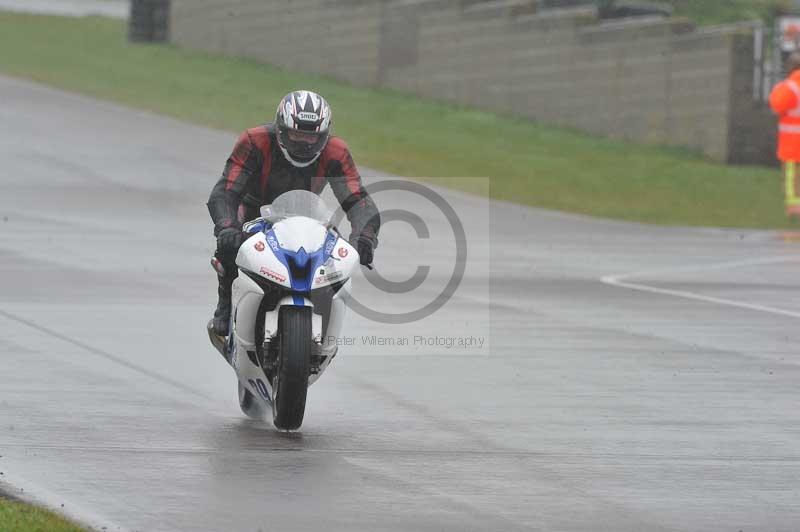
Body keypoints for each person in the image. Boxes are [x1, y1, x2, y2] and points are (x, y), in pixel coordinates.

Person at [207, 90, 380, 336]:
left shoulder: (336, 152)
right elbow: (225, 191)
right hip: (254, 214)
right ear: (280, 129)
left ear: (324, 135)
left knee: (340, 261)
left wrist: (364, 237)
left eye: (312, 138)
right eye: (297, 135)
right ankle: (225, 306)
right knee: (228, 247)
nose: (304, 144)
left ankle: (327, 323)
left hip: (309, 216)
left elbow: (359, 200)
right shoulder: (254, 141)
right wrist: (226, 227)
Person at [769, 52, 800, 218]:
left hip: (793, 141)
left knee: (791, 175)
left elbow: (777, 105)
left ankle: (794, 207)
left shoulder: (790, 87)